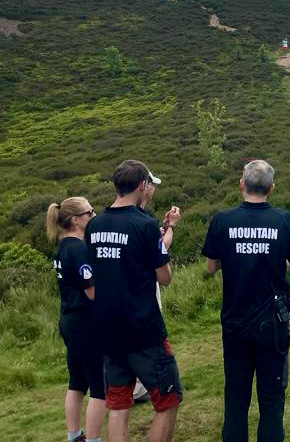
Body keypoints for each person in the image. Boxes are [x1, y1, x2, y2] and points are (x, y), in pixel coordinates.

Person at [202, 159, 290, 442]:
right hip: (272, 325)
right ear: (272, 188)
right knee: (272, 398)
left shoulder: (222, 220)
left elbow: (210, 268)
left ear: (241, 185)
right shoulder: (285, 220)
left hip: (235, 321)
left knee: (236, 397)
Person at [87, 160, 183, 442]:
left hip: (108, 330)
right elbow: (164, 278)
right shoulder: (145, 225)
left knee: (118, 402)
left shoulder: (95, 225)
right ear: (142, 186)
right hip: (143, 330)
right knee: (169, 398)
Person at [48, 197, 104, 442]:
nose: (93, 215)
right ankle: (93, 439)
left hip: (69, 320)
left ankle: (74, 435)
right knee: (100, 386)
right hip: (85, 323)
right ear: (75, 220)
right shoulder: (79, 249)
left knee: (77, 382)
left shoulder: (62, 247)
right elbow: (92, 291)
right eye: (89, 212)